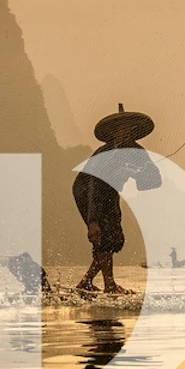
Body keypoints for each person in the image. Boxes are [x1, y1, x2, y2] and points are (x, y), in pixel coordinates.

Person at [74, 105, 161, 293]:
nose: (125, 132)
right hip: (87, 191)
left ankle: (88, 282)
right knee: (103, 235)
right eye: (121, 129)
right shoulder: (105, 154)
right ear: (113, 132)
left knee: (113, 237)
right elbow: (94, 187)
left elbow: (152, 182)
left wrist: (140, 172)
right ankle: (108, 284)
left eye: (129, 128)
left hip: (110, 193)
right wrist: (92, 221)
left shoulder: (138, 153)